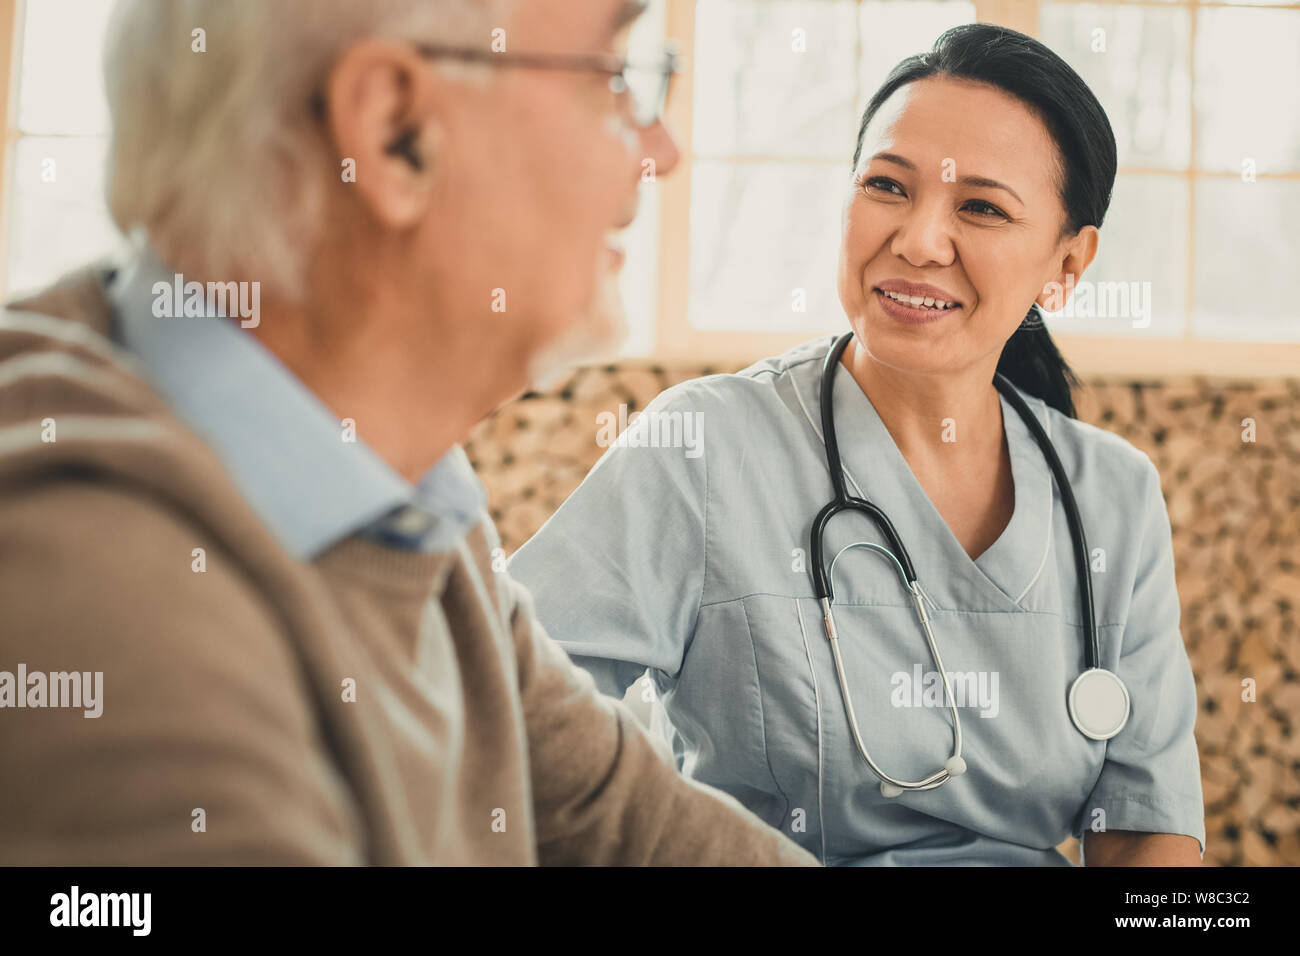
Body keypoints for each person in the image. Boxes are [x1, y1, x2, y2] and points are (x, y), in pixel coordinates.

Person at [0, 0, 819, 866]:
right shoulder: (112, 618)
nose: (662, 153)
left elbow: (620, 816)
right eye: (615, 77)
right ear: (396, 133)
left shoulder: (397, 488)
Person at [509, 23, 1207, 866]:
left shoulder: (1113, 495)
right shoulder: (706, 446)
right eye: (886, 186)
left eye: (980, 207)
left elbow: (1146, 831)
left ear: (1067, 264)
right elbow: (503, 707)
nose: (917, 241)